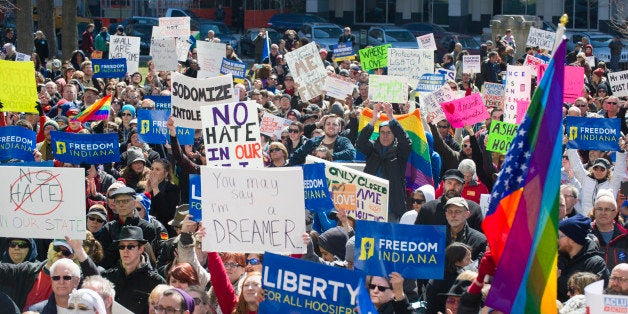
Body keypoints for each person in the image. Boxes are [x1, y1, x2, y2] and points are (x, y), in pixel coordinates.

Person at [356, 102, 412, 222]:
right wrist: (373, 120)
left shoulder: (399, 152)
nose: (385, 136)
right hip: (370, 206)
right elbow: (360, 143)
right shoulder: (372, 148)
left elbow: (406, 142)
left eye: (389, 132)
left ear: (394, 135)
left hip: (392, 208)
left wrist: (391, 117)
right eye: (382, 132)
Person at [101, 226, 166, 314]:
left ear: (141, 249)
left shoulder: (156, 282)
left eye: (130, 246)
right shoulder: (107, 278)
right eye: (121, 247)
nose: (125, 250)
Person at [558, 214, 610, 302]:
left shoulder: (595, 263)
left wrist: (558, 279)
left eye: (560, 236)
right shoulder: (559, 258)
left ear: (572, 239)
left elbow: (586, 295)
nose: (557, 240)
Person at [415, 169, 484, 232]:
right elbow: (417, 236)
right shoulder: (428, 209)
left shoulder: (474, 209)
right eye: (449, 183)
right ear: (443, 184)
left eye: (457, 184)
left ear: (463, 187)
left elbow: (480, 240)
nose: (452, 187)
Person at [289, 115, 356, 165]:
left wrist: (328, 156)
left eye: (334, 124)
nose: (331, 126)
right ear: (324, 127)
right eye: (328, 124)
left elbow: (351, 154)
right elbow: (295, 157)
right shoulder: (312, 142)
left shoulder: (344, 142)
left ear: (340, 129)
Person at [590, 189, 628, 271]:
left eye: (607, 209)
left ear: (615, 213)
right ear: (594, 211)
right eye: (599, 209)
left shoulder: (625, 236)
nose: (603, 213)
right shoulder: (586, 234)